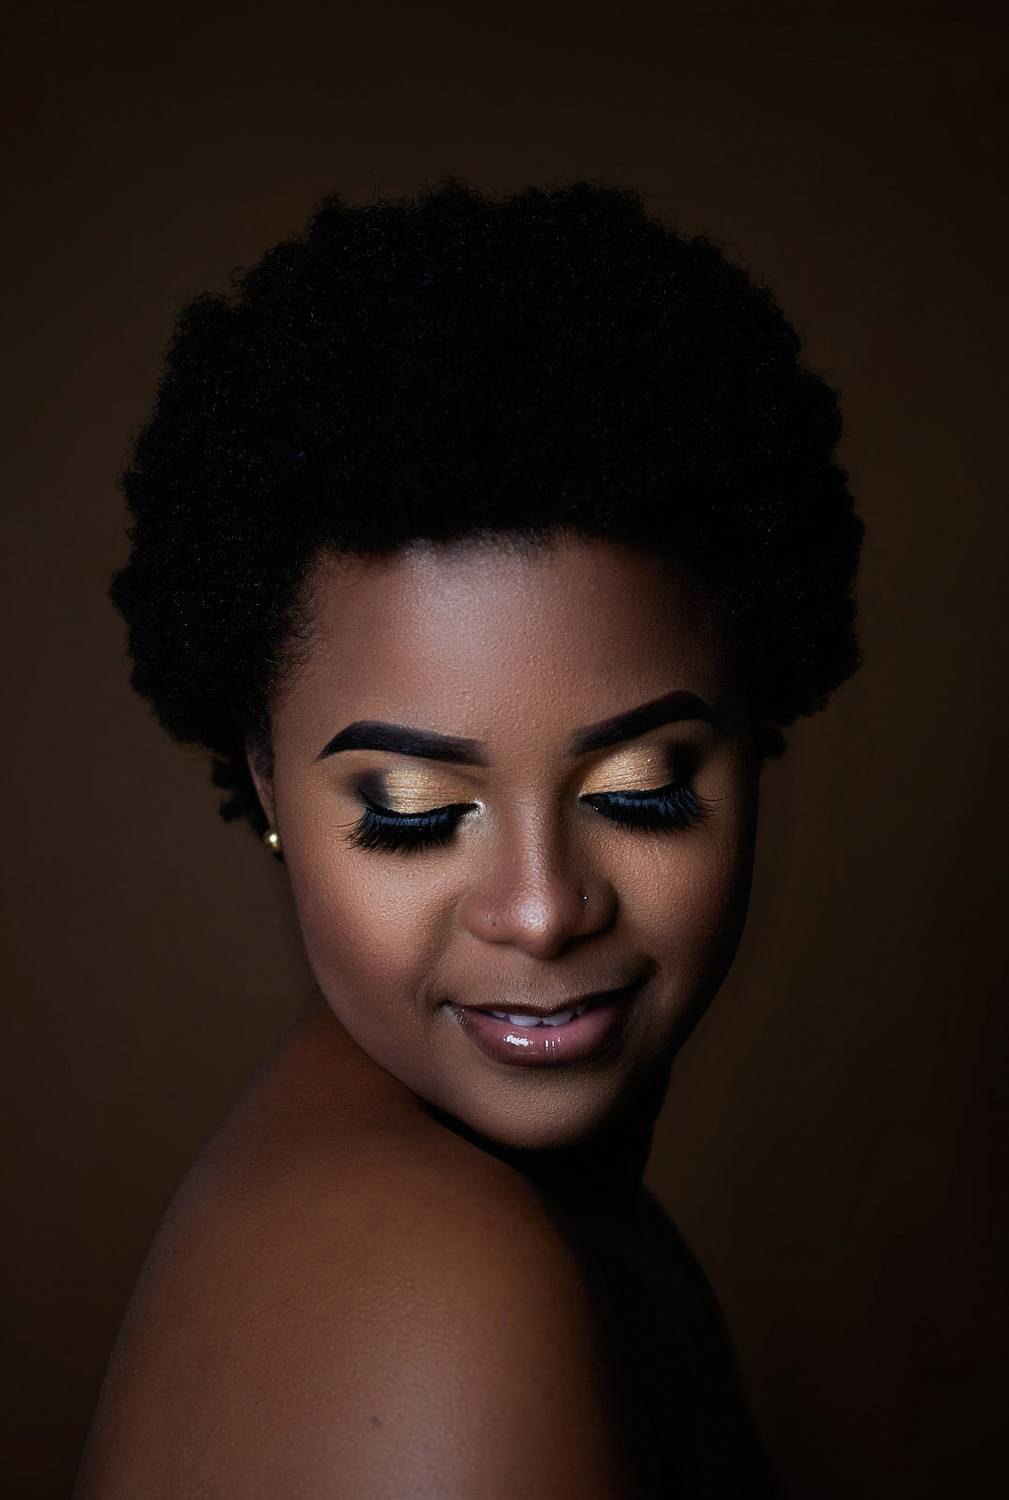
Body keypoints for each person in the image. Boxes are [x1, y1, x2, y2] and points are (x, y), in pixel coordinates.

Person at [74, 178, 863, 1498]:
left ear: (756, 725)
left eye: (642, 786)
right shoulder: (434, 1288)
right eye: (414, 813)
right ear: (264, 783)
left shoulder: (548, 1223)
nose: (542, 909)